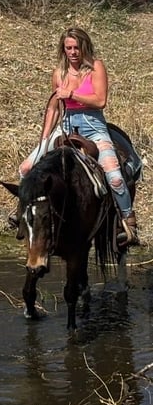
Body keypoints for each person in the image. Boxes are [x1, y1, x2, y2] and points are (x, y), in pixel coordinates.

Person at [17, 26, 138, 247]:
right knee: (26, 169)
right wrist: (44, 140)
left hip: (93, 127)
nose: (73, 52)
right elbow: (53, 108)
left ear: (84, 47)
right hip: (66, 125)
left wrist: (71, 94)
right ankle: (24, 214)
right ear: (63, 49)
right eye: (68, 48)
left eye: (76, 48)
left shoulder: (96, 67)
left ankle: (127, 220)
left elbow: (100, 101)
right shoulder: (59, 73)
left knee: (115, 177)